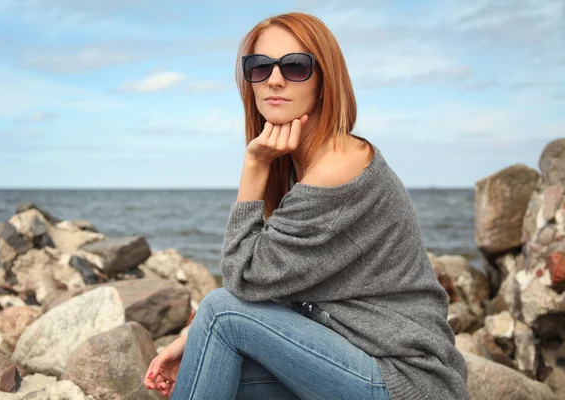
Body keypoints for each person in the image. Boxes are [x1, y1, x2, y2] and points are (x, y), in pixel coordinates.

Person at [144, 11, 469, 400]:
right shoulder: (311, 165)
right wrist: (193, 341)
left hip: (405, 382)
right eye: (260, 67)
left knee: (219, 312)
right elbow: (280, 285)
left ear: (323, 81)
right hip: (360, 362)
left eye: (295, 66)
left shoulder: (338, 167)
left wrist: (255, 164)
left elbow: (243, 278)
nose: (274, 79)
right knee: (210, 369)